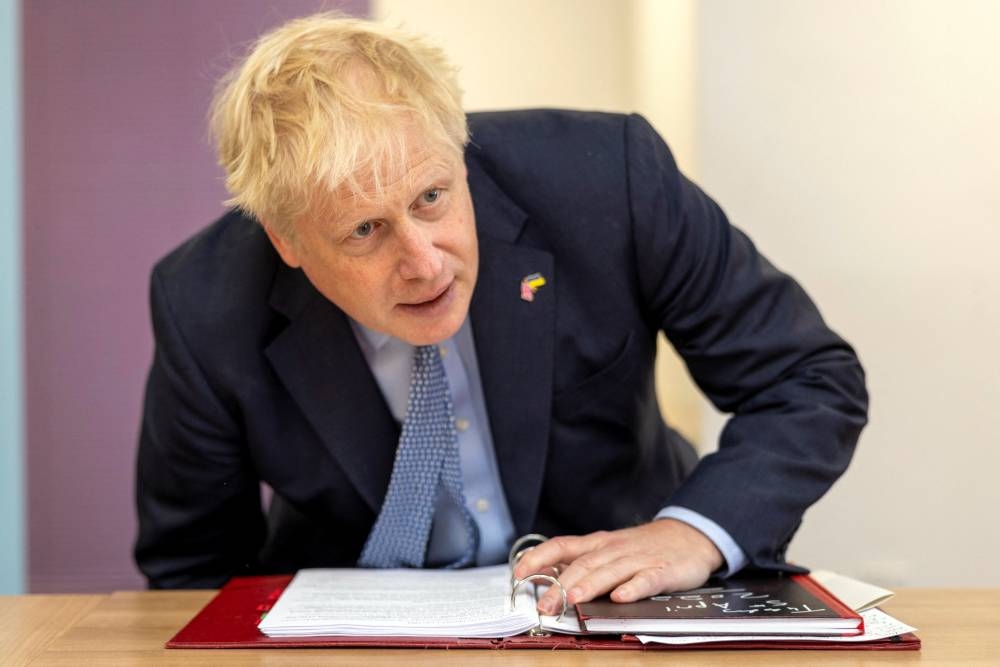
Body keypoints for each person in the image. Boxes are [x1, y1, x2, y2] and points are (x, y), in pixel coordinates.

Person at [134, 13, 867, 616]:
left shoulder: (610, 180)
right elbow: (192, 571)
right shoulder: (204, 303)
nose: (424, 262)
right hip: (356, 632)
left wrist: (691, 533)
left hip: (624, 607)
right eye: (365, 230)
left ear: (458, 149)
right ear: (288, 242)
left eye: (431, 198)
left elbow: (805, 378)